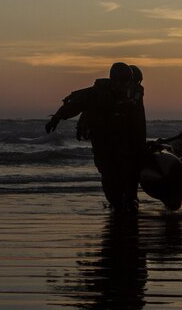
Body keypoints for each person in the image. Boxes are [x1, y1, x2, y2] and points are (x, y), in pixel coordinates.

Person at [46, 62, 147, 212]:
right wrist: (57, 117)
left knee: (131, 172)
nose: (125, 86)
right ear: (113, 80)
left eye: (128, 82)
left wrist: (140, 145)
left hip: (125, 142)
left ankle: (130, 201)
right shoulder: (98, 93)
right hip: (103, 142)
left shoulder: (133, 95)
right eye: (122, 82)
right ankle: (116, 203)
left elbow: (139, 122)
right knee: (109, 175)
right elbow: (76, 104)